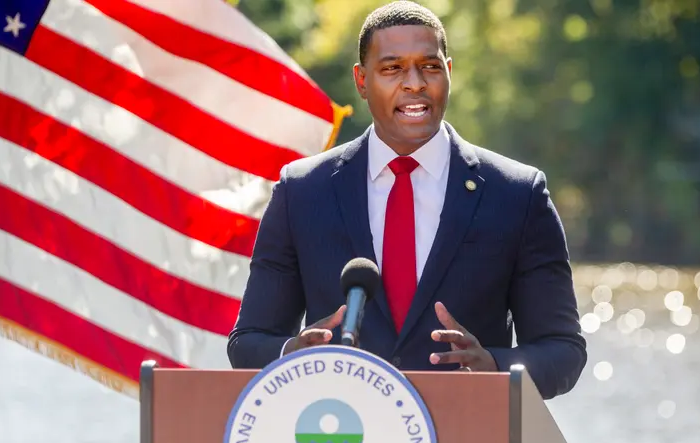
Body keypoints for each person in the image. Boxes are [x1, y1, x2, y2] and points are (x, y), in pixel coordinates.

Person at [227, 0, 586, 399]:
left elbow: (563, 351)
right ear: (361, 81)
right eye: (392, 68)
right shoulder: (302, 191)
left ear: (448, 73)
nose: (414, 82)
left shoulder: (517, 195)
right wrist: (294, 354)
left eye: (429, 66)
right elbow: (249, 341)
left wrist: (496, 368)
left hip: (471, 442)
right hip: (341, 442)